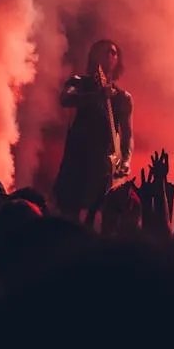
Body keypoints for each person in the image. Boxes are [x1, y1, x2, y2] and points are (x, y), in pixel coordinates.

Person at [53, 40, 133, 221]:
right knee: (68, 215)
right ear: (94, 56)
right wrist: (96, 96)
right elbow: (66, 99)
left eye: (113, 52)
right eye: (104, 51)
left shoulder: (123, 98)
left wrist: (126, 160)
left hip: (104, 166)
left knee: (102, 218)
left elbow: (127, 134)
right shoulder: (78, 82)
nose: (109, 55)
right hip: (77, 160)